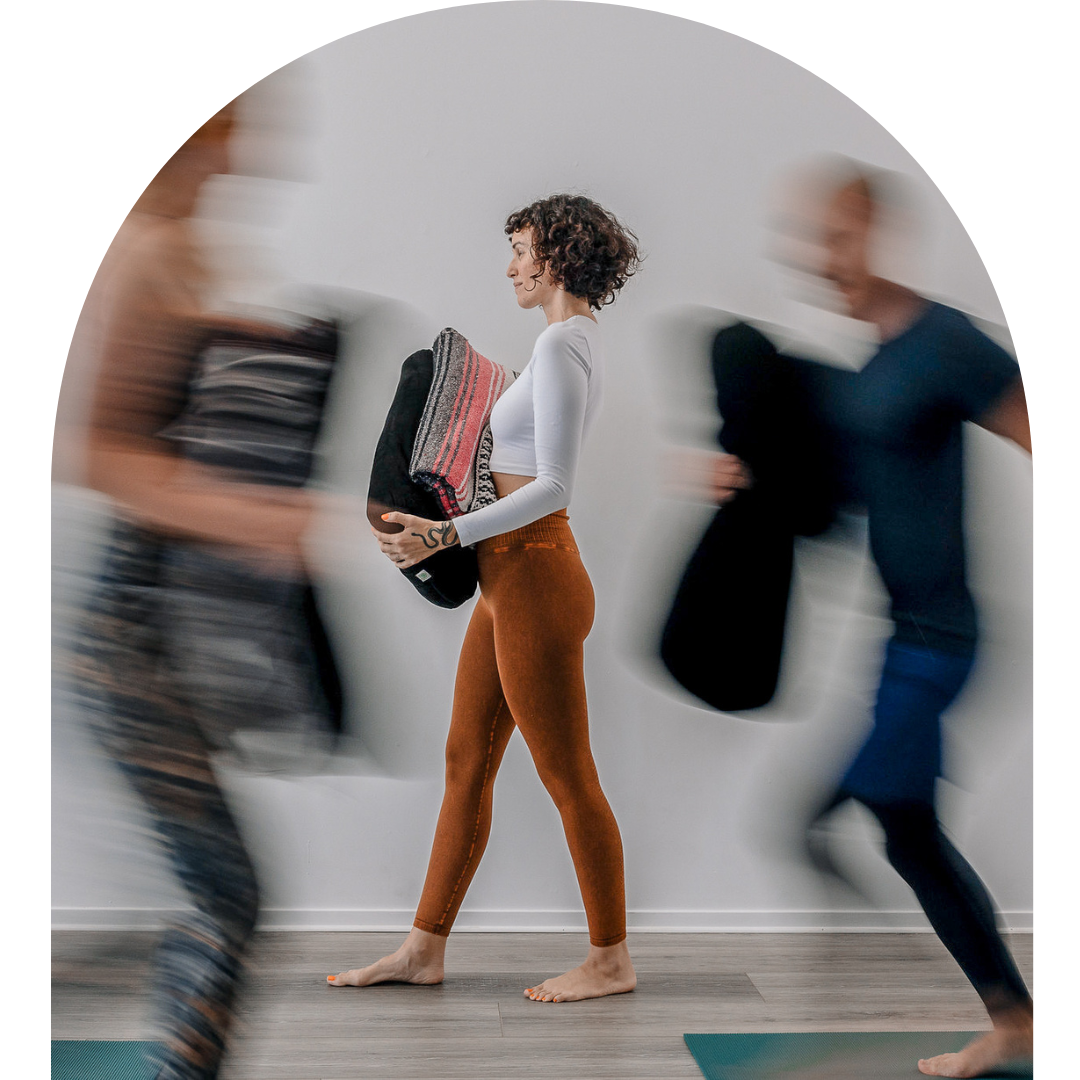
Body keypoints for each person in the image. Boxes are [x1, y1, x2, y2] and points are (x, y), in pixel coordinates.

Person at [701, 160, 1036, 1079]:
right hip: (900, 643)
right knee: (881, 825)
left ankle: (990, 1013)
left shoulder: (945, 343)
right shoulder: (864, 377)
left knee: (878, 814)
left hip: (947, 641)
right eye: (811, 244)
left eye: (838, 238)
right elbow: (829, 508)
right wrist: (738, 478)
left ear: (877, 232)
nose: (823, 260)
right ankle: (1003, 1016)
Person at [59, 103, 322, 1080]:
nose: (245, 149)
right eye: (229, 128)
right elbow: (95, 455)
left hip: (176, 629)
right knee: (226, 892)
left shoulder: (187, 252)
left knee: (215, 890)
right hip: (128, 639)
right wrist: (254, 519)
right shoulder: (139, 254)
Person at [329, 194, 641, 1003]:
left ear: (559, 258)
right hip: (508, 580)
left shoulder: (569, 345)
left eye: (521, 251)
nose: (510, 267)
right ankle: (423, 947)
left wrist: (444, 535)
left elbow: (555, 486)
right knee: (466, 761)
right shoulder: (552, 345)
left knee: (567, 775)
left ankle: (610, 958)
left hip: (536, 574)